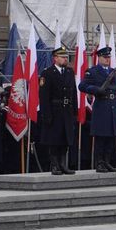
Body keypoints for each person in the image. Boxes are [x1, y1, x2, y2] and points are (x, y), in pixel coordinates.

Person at [78, 46, 116, 173]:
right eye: (104, 57)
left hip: (113, 107)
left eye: (108, 57)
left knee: (111, 138)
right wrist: (96, 90)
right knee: (101, 138)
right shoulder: (92, 71)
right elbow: (82, 86)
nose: (107, 59)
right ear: (99, 58)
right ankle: (99, 163)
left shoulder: (113, 72)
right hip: (102, 107)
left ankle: (107, 162)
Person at [38, 47, 77, 175]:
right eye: (62, 57)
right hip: (54, 110)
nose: (65, 59)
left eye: (66, 57)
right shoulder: (47, 73)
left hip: (67, 111)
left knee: (65, 139)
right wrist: (46, 115)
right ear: (55, 58)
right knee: (54, 140)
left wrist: (74, 111)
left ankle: (63, 164)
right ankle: (54, 165)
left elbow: (73, 93)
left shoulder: (69, 72)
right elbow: (44, 96)